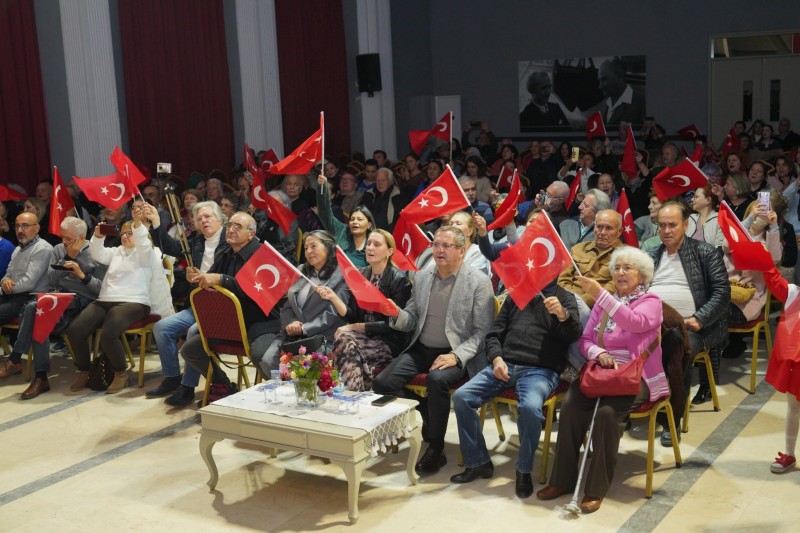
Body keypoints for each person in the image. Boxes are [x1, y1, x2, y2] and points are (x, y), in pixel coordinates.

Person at [538, 246, 665, 513]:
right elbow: (585, 340)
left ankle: (596, 488)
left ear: (642, 276)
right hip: (601, 370)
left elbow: (633, 322)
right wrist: (599, 353)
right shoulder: (603, 303)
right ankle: (562, 480)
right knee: (571, 407)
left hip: (635, 374)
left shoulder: (651, 301)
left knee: (607, 415)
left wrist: (601, 295)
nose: (620, 273)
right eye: (617, 268)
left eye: (627, 268)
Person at [373, 225, 494, 475]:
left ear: (461, 250)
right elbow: (412, 318)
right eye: (436, 245)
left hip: (456, 352)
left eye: (446, 246)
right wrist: (396, 313)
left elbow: (483, 332)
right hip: (422, 347)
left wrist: (456, 356)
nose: (439, 250)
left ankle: (436, 448)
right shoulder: (423, 277)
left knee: (437, 381)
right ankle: (426, 411)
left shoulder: (478, 281)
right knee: (382, 383)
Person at [450, 279, 581, 497]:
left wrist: (562, 315)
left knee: (530, 408)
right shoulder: (517, 294)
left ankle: (523, 470)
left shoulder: (565, 298)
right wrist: (496, 359)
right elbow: (494, 334)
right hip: (504, 364)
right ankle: (478, 461)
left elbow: (574, 334)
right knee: (462, 397)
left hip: (540, 369)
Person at [175, 212, 282, 405]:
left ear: (251, 234)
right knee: (190, 350)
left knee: (260, 355)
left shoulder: (263, 255)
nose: (231, 229)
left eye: (237, 226)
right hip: (229, 322)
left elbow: (254, 291)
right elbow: (211, 279)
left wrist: (221, 279)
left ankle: (277, 396)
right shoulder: (224, 252)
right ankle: (223, 385)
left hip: (260, 321)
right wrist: (198, 278)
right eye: (229, 225)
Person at [67, 202, 174, 394]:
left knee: (108, 332)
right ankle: (84, 370)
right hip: (106, 300)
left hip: (135, 302)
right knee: (75, 330)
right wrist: (98, 237)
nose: (125, 236)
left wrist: (137, 224)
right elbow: (98, 254)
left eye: (129, 233)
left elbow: (143, 242)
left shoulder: (148, 252)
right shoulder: (117, 252)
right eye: (123, 234)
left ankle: (119, 373)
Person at [647, 201, 729, 444]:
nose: (666, 230)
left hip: (693, 327)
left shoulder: (705, 252)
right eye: (662, 225)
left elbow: (722, 292)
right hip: (652, 324)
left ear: (685, 225)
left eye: (672, 225)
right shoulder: (651, 255)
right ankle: (633, 404)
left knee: (676, 346)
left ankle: (671, 419)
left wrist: (700, 318)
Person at [1, 217, 104, 398]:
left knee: (36, 311)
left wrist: (82, 276)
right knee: (34, 310)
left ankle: (19, 361)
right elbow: (51, 279)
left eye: (68, 239)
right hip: (57, 295)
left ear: (81, 238)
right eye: (62, 237)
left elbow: (100, 289)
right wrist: (68, 257)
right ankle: (39, 375)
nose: (64, 242)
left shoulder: (96, 253)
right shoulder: (58, 250)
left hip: (82, 299)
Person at [144, 201, 228, 401]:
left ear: (220, 218)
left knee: (192, 332)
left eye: (208, 216)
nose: (204, 221)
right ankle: (172, 377)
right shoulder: (197, 242)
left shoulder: (231, 240)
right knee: (162, 328)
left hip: (223, 307)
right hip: (198, 305)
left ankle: (187, 387)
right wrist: (156, 223)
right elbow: (171, 247)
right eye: (199, 219)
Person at [315, 230, 412, 391]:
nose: (370, 248)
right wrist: (333, 297)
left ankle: (350, 394)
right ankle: (355, 393)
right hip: (361, 338)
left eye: (377, 244)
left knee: (344, 340)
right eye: (369, 244)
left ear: (389, 252)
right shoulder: (361, 274)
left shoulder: (399, 280)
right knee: (345, 340)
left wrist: (356, 327)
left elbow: (394, 324)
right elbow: (353, 316)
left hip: (389, 341)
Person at [257, 230, 349, 374]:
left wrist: (304, 328)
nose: (308, 251)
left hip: (322, 336)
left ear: (328, 247)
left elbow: (334, 313)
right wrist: (291, 323)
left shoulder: (342, 275)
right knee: (268, 362)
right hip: (293, 335)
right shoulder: (301, 270)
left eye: (313, 246)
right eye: (306, 248)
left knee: (304, 371)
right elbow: (288, 305)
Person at [719, 199, 782, 365]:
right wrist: (749, 219)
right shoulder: (738, 231)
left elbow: (774, 259)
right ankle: (708, 350)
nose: (762, 212)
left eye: (766, 209)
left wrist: (774, 226)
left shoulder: (769, 238)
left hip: (748, 300)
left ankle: (711, 350)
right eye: (758, 209)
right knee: (703, 306)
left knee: (712, 311)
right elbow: (726, 245)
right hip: (725, 292)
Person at [0, 213, 54, 377]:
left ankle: (14, 361)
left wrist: (3, 289)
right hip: (14, 294)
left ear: (37, 228)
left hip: (31, 297)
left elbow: (29, 282)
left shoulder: (42, 249)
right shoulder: (18, 249)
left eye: (25, 226)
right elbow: (7, 274)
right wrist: (5, 281)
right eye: (17, 226)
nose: (20, 230)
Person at [762, 267, 800, 474]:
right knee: (793, 408)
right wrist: (763, 260)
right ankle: (789, 453)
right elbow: (774, 280)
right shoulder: (793, 293)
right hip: (796, 363)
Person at [558, 209, 624, 309]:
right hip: (566, 301)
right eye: (599, 227)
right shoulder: (578, 249)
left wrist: (579, 303)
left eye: (609, 228)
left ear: (619, 232)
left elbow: (613, 287)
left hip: (596, 307)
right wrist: (568, 301)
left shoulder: (625, 256)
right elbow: (563, 279)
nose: (602, 232)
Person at [317, 174, 375, 267]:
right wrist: (322, 189)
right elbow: (325, 214)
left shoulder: (374, 243)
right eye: (352, 219)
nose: (355, 222)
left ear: (369, 225)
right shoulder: (342, 231)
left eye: (359, 219)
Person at [597, 58, 646, 126]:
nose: (600, 86)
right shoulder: (604, 103)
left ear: (619, 76)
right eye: (599, 81)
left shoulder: (642, 103)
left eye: (604, 79)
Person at [360, 167, 407, 232]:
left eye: (383, 180)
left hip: (389, 233)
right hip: (368, 231)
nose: (380, 183)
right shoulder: (369, 194)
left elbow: (400, 219)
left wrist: (384, 234)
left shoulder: (399, 196)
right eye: (377, 180)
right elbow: (360, 211)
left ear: (390, 181)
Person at [446, 211, 491, 277]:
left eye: (458, 224)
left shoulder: (478, 252)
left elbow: (472, 279)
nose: (453, 226)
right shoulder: (443, 251)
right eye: (450, 224)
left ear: (469, 231)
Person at [687, 184, 724, 249]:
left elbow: (719, 248)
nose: (692, 199)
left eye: (696, 197)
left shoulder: (719, 220)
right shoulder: (691, 218)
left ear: (708, 200)